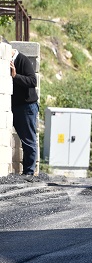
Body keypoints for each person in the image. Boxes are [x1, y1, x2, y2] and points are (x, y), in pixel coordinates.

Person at [9, 44, 39, 182]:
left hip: (27, 106)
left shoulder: (22, 60)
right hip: (15, 106)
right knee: (24, 139)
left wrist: (16, 76)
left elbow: (33, 81)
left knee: (28, 140)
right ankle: (27, 171)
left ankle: (29, 172)